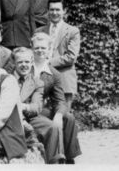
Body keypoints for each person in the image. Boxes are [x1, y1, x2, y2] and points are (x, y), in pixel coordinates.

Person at [29, 32, 81, 164]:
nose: (40, 51)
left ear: (49, 50)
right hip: (29, 108)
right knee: (51, 125)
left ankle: (68, 157)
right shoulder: (25, 67)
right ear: (32, 49)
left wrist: (58, 114)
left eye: (43, 48)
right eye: (37, 48)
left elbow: (60, 100)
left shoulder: (54, 73)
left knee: (68, 117)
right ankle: (54, 159)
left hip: (43, 109)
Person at [36, 0, 80, 110]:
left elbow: (71, 57)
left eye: (57, 10)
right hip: (42, 80)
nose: (54, 13)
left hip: (64, 78)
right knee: (41, 116)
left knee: (64, 117)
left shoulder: (72, 31)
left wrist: (48, 62)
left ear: (64, 11)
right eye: (51, 10)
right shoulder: (39, 31)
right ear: (47, 11)